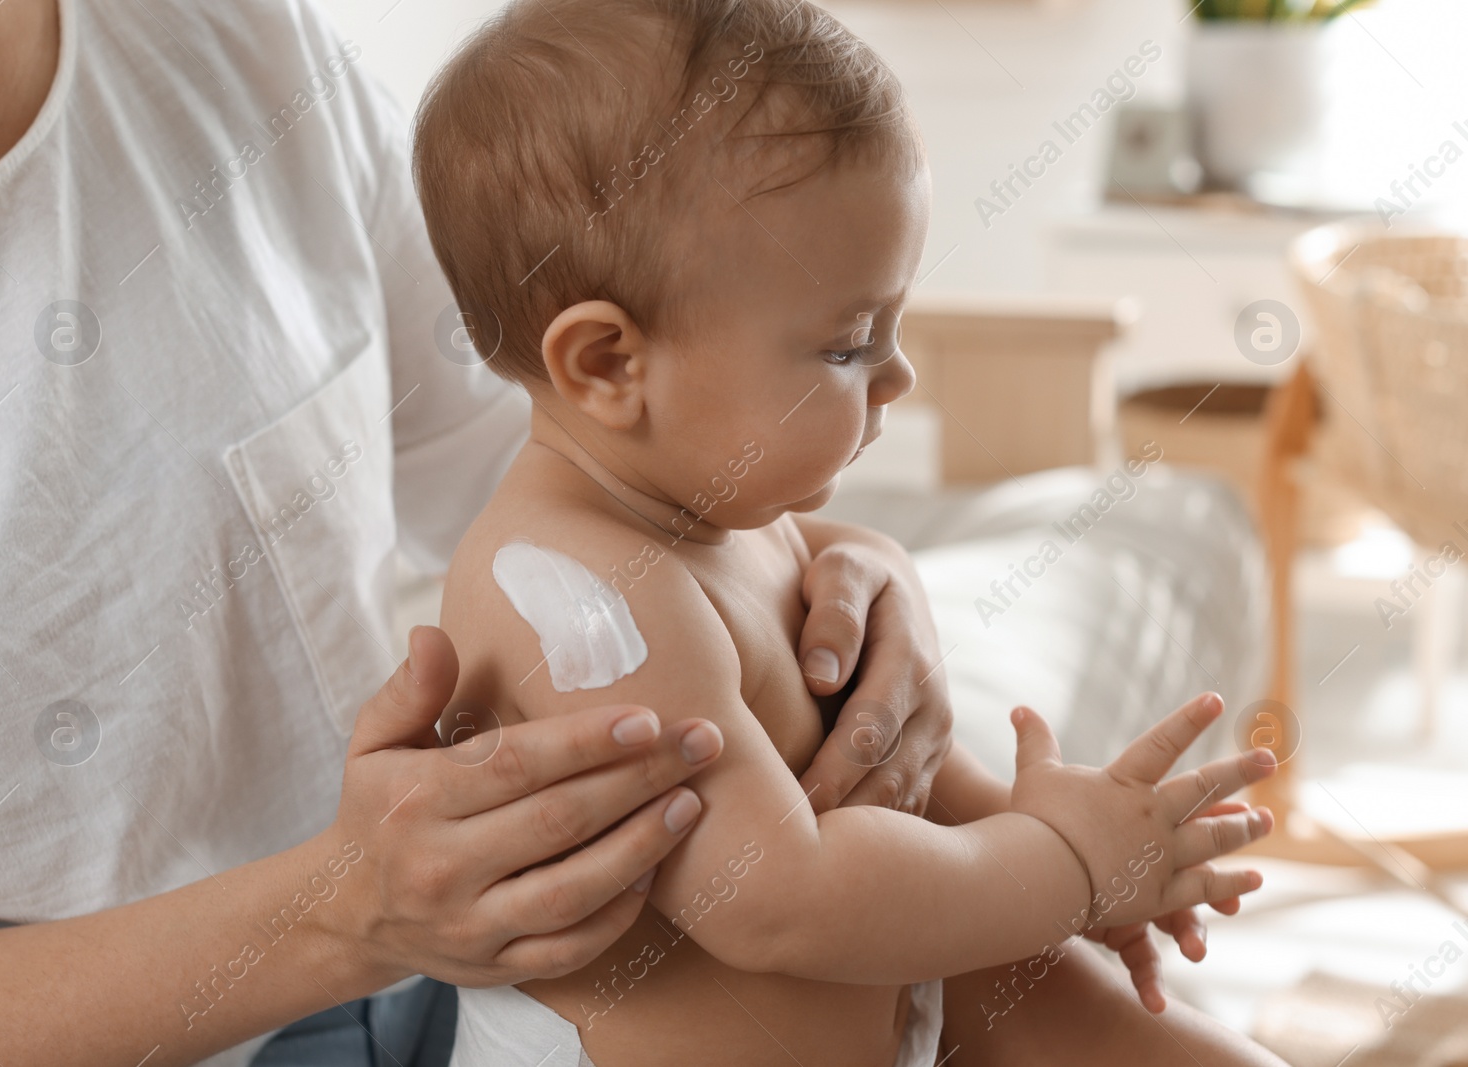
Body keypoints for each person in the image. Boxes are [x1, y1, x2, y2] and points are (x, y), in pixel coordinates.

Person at [0, 1, 962, 1064]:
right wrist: (340, 913)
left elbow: (607, 455)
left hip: (437, 966)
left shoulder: (228, 41)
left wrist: (844, 568)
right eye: (857, 341)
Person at [413, 2, 1294, 1065]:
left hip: (889, 1008)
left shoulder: (734, 519)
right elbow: (774, 900)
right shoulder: (567, 584)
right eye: (846, 344)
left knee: (1147, 1035)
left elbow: (894, 780)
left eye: (892, 323)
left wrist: (1064, 831)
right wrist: (1059, 861)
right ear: (607, 365)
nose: (899, 374)